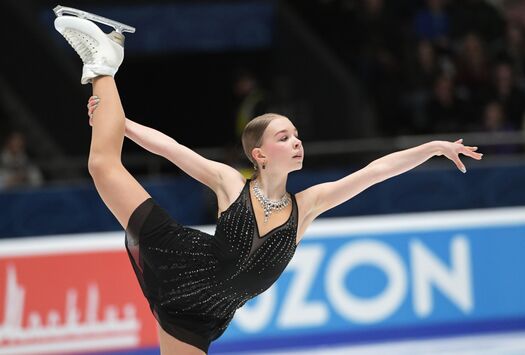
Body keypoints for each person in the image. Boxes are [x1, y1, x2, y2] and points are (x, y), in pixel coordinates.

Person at [54, 11, 483, 355]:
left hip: (204, 316)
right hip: (181, 264)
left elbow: (375, 172)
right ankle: (103, 62)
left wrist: (431, 147)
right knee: (103, 167)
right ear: (258, 155)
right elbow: (171, 149)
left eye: (297, 136)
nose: (296, 142)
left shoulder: (309, 204)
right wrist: (119, 122)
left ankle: (104, 65)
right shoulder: (229, 184)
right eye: (284, 137)